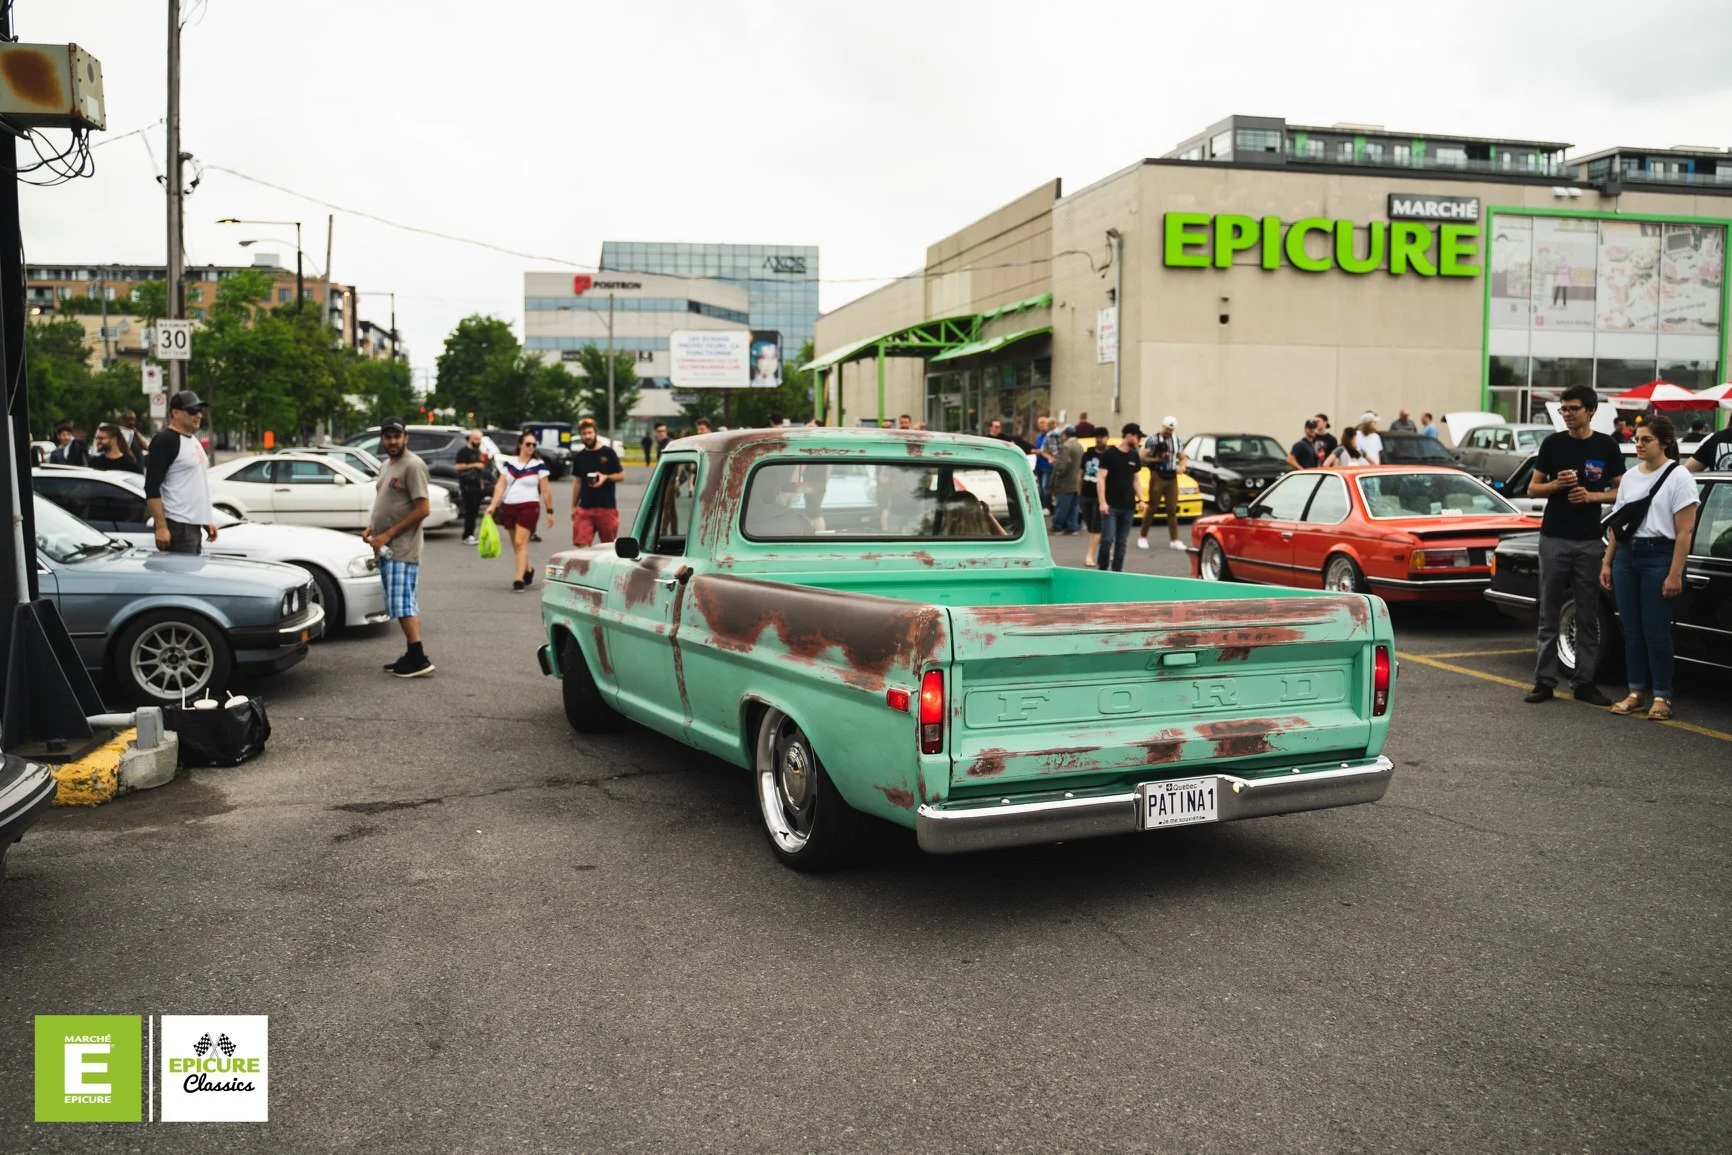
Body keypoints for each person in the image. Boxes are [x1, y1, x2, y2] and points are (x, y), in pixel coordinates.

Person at [1525, 384, 1624, 706]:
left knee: (1588, 614)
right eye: (1563, 409)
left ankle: (1584, 682)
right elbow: (1532, 489)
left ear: (1591, 411)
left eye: (1573, 409)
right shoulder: (1553, 444)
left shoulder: (1607, 446)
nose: (1566, 414)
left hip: (1589, 541)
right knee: (1549, 612)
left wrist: (1592, 496)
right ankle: (1544, 682)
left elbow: (1622, 491)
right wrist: (1556, 484)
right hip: (1553, 538)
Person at [1601, 416, 1699, 722]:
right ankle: (1635, 692)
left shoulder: (1679, 477)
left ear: (1665, 442)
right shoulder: (1630, 477)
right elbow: (1619, 524)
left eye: (1646, 439)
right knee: (1631, 630)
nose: (1639, 445)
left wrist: (1675, 573)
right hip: (1626, 557)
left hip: (1660, 557)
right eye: (1636, 439)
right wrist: (1607, 561)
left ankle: (1662, 696)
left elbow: (1684, 532)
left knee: (1656, 631)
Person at [365, 417, 434, 678]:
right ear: (382, 439)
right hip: (387, 545)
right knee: (400, 602)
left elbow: (423, 509)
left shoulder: (413, 465)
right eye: (388, 436)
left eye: (397, 436)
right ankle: (412, 653)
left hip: (402, 547)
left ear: (406, 438)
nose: (392, 441)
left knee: (403, 604)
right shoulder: (387, 465)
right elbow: (388, 501)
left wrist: (388, 534)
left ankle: (418, 658)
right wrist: (372, 527)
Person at [143, 391, 217, 554]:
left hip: (193, 525)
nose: (198, 415)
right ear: (175, 413)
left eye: (200, 411)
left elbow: (194, 483)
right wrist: (161, 527)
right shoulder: (165, 441)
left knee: (193, 570)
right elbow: (151, 487)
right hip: (177, 525)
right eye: (192, 411)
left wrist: (206, 519)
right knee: (181, 570)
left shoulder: (192, 439)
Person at [486, 431, 555, 592]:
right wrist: (493, 505)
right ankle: (528, 569)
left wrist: (550, 511)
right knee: (516, 544)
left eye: (534, 445)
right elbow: (501, 485)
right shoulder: (510, 463)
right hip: (509, 506)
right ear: (520, 445)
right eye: (528, 444)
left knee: (519, 542)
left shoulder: (538, 464)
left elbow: (545, 490)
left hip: (529, 506)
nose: (531, 447)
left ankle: (519, 580)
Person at [570, 418, 625, 547]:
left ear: (596, 433)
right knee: (581, 545)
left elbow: (621, 475)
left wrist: (606, 477)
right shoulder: (579, 457)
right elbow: (577, 482)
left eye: (590, 432)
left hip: (606, 508)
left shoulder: (608, 453)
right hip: (585, 508)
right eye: (584, 434)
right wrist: (573, 506)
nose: (587, 436)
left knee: (608, 547)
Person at [1095, 423, 1142, 572]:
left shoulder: (1134, 455)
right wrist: (1102, 502)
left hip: (1128, 506)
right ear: (1129, 436)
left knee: (1122, 542)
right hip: (1111, 506)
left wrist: (1142, 500)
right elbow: (1101, 478)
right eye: (1137, 437)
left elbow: (1136, 479)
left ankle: (1117, 572)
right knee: (1107, 539)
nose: (1139, 441)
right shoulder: (1109, 454)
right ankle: (1103, 569)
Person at [1137, 416, 1188, 552]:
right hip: (1157, 474)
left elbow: (1182, 457)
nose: (1168, 432)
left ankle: (1174, 539)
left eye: (1171, 429)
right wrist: (1156, 460)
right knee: (1153, 507)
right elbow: (1142, 456)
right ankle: (1143, 536)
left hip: (1172, 476)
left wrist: (1182, 467)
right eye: (1166, 429)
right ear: (1162, 426)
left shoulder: (1177, 441)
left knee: (1172, 509)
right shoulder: (1153, 440)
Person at [452, 429, 488, 545]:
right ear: (471, 438)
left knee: (475, 511)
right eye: (476, 439)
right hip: (467, 484)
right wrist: (474, 465)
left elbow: (480, 469)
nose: (477, 441)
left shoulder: (478, 452)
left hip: (477, 484)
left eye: (479, 439)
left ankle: (471, 534)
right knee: (470, 511)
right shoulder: (463, 451)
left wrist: (481, 482)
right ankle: (467, 535)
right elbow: (458, 467)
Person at [1078, 423, 1106, 567]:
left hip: (1100, 496)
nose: (1099, 439)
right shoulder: (1088, 454)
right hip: (1086, 494)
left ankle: (1091, 555)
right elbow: (1080, 473)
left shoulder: (1108, 456)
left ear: (1106, 438)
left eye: (1102, 437)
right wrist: (1079, 492)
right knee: (1090, 525)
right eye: (1097, 437)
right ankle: (1106, 543)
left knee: (1097, 526)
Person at [1049, 425, 1083, 535]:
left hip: (1066, 481)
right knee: (1073, 506)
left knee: (1062, 505)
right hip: (1076, 482)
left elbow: (1063, 464)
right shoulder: (1079, 445)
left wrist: (1058, 472)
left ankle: (1057, 526)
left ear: (1065, 435)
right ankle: (1072, 527)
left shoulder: (1067, 446)